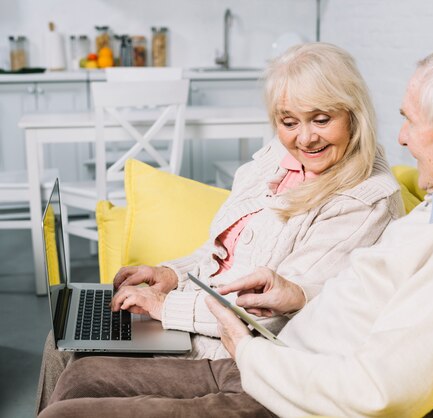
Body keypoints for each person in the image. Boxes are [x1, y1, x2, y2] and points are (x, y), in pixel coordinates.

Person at [39, 44, 433, 418]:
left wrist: (246, 343)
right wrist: (182, 278)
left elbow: (379, 387)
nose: (401, 137)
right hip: (274, 362)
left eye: (410, 120)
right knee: (76, 361)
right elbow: (343, 295)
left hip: (274, 377)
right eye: (288, 121)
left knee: (71, 383)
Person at [35, 42, 403, 413]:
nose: (304, 138)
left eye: (322, 119)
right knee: (65, 333)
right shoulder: (278, 159)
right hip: (194, 314)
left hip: (225, 346)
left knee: (76, 349)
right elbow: (219, 252)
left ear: (354, 114)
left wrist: (163, 306)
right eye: (289, 122)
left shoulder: (364, 201)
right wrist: (170, 274)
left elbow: (270, 314)